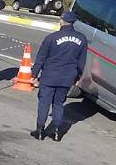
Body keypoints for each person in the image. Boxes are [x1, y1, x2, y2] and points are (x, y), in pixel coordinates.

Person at [30, 11, 88, 141]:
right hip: (67, 78)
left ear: (62, 20)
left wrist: (34, 74)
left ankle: (39, 131)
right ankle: (56, 132)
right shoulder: (82, 39)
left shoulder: (52, 37)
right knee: (59, 104)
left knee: (44, 104)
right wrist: (78, 77)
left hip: (49, 76)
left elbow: (41, 58)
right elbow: (81, 62)